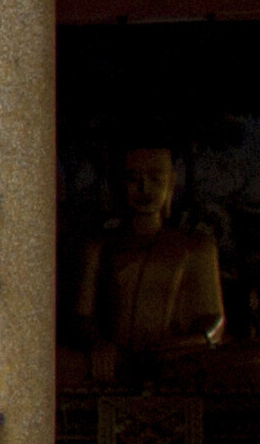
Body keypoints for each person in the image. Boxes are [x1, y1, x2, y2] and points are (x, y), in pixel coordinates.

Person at [70, 145, 228, 384]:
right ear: (118, 184)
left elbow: (215, 322)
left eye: (155, 178)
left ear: (172, 182)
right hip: (117, 361)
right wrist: (99, 344)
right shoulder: (100, 247)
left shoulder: (197, 246)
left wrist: (185, 344)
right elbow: (83, 319)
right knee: (51, 364)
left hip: (178, 358)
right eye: (133, 179)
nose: (144, 189)